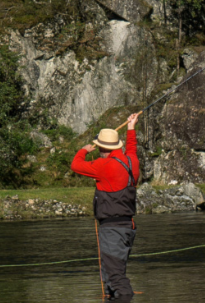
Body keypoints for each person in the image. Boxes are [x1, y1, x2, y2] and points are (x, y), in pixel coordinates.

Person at [71, 113, 141, 299]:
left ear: (102, 147)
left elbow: (76, 165)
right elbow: (132, 149)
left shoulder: (103, 166)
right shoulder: (132, 162)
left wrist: (84, 150)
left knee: (116, 278)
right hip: (127, 228)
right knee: (110, 278)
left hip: (112, 231)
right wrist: (131, 127)